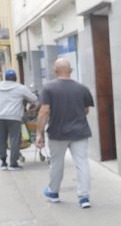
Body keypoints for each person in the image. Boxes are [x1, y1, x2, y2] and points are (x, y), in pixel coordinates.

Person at [36, 58, 95, 209]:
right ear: (71, 71)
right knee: (82, 163)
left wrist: (39, 134)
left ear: (55, 71)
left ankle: (54, 192)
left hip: (57, 132)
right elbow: (86, 110)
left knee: (57, 164)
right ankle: (84, 197)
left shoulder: (48, 88)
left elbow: (44, 111)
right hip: (80, 132)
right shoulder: (82, 88)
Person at [0, 69, 37, 171]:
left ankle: (3, 162)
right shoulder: (20, 88)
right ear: (16, 78)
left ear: (5, 78)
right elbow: (33, 99)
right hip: (14, 117)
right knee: (14, 139)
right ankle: (13, 163)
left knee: (1, 139)